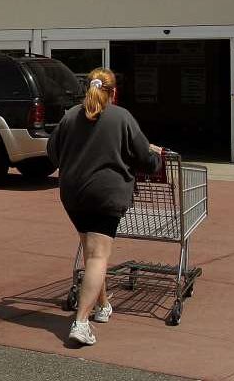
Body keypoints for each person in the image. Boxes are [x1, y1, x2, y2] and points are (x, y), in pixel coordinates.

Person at [46, 67, 161, 347]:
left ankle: (103, 304)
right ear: (114, 92)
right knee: (98, 256)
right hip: (105, 194)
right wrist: (157, 160)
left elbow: (52, 152)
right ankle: (81, 322)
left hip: (73, 194)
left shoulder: (70, 116)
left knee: (90, 250)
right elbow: (144, 157)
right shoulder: (122, 117)